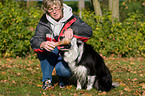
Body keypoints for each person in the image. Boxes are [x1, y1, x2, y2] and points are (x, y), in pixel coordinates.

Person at [30, 0, 92, 90]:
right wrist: (42, 44)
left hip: (67, 55)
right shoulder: (43, 22)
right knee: (49, 49)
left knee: (63, 71)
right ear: (46, 10)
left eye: (56, 8)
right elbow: (35, 40)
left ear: (61, 7)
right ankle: (47, 81)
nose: (54, 12)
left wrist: (73, 30)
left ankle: (64, 79)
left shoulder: (72, 18)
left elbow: (88, 31)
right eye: (50, 9)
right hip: (51, 53)